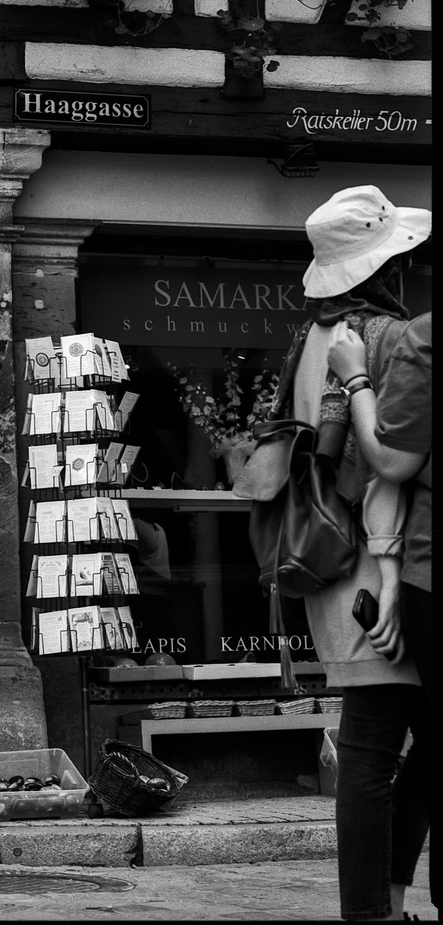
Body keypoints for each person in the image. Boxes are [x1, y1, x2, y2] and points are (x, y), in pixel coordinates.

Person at [292, 185, 429, 922]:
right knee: (376, 743)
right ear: (388, 266)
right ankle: (372, 911)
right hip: (378, 566)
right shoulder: (383, 336)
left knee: (378, 740)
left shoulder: (309, 335)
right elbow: (379, 470)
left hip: (326, 556)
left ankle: (384, 904)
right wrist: (387, 573)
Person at [329, 310, 433, 918]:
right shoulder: (405, 334)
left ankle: (383, 908)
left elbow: (390, 463)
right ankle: (386, 905)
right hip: (397, 561)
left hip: (401, 565)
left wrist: (356, 381)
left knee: (380, 747)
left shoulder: (408, 336)